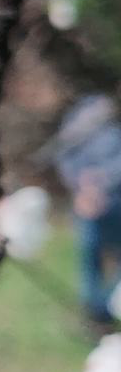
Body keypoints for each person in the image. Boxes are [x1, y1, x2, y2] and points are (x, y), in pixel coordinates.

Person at [52, 95, 121, 324]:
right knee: (90, 260)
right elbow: (64, 162)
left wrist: (102, 182)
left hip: (113, 204)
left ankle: (105, 307)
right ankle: (95, 312)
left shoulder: (113, 133)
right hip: (89, 207)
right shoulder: (74, 135)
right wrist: (83, 190)